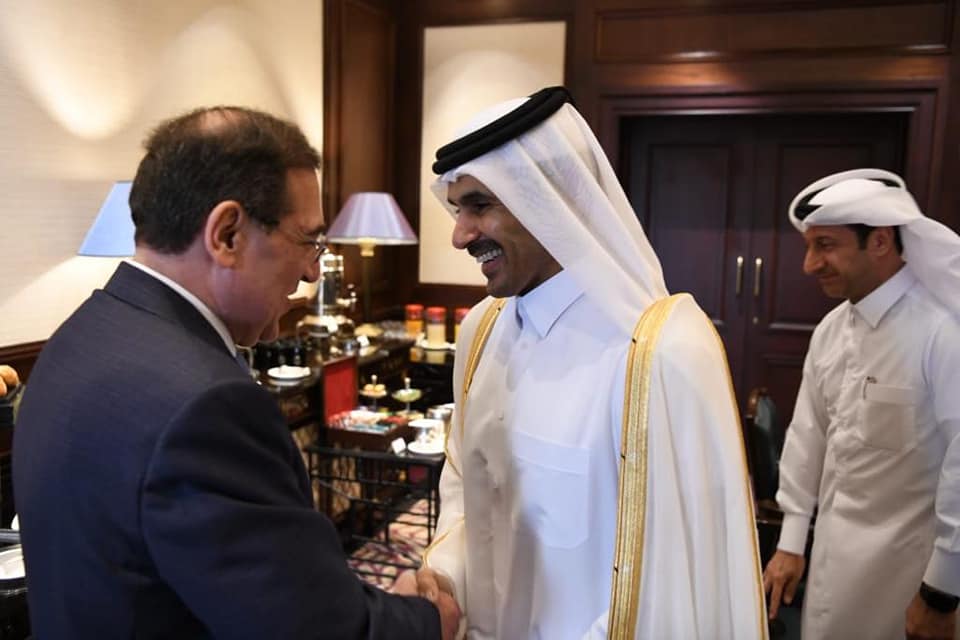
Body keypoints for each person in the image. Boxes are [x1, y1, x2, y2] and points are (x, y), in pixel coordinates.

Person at [13, 106, 460, 639]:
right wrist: (428, 620)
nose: (312, 271)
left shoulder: (79, 334)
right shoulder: (205, 407)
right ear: (227, 234)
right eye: (309, 241)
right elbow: (312, 629)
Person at [414, 86, 767, 639]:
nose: (460, 235)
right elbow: (464, 488)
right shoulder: (480, 331)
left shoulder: (660, 353)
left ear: (548, 197)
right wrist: (446, 579)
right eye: (458, 209)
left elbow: (668, 593)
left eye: (480, 205)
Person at [762, 169, 960, 640]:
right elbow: (808, 434)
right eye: (809, 247)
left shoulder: (942, 333)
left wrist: (941, 592)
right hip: (831, 566)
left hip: (909, 578)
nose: (810, 264)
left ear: (881, 241)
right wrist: (791, 541)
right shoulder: (830, 330)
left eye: (826, 245)